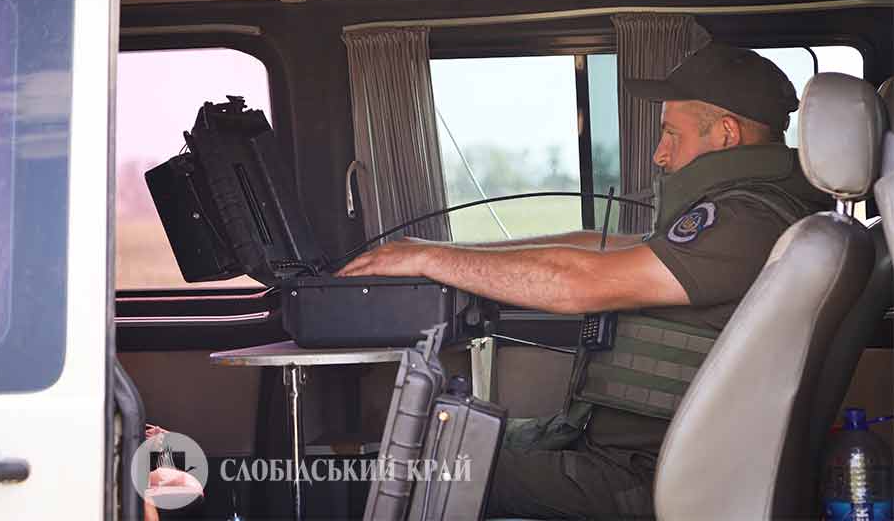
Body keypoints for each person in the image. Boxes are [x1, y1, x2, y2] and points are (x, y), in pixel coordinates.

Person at [337, 42, 832, 518]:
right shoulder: (748, 213)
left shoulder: (745, 221)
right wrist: (436, 254)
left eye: (671, 135)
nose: (659, 155)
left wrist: (429, 260)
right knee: (449, 439)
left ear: (725, 134)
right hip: (630, 456)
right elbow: (594, 245)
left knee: (423, 468)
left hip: (645, 478)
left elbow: (579, 280)